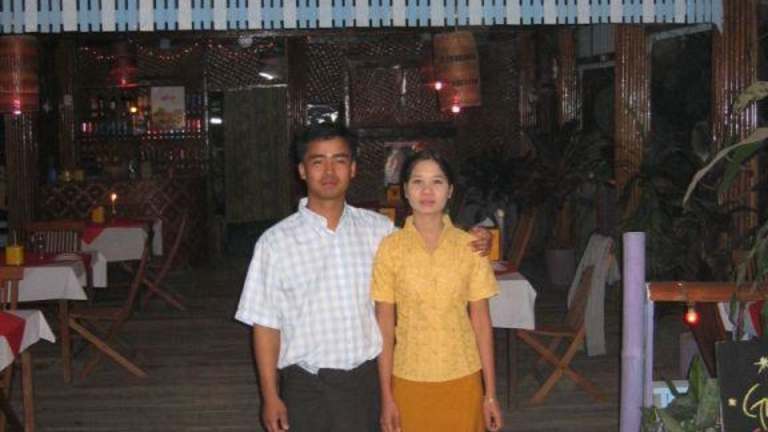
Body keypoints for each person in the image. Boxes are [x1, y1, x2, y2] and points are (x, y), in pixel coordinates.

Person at [234, 124, 490, 432]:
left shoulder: (378, 231)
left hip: (367, 383)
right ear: (302, 170)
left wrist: (474, 237)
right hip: (307, 385)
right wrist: (270, 395)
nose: (329, 171)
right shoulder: (275, 243)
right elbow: (265, 325)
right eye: (318, 161)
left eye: (339, 160)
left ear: (353, 168)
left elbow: (425, 240)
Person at [372, 149, 503, 432]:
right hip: (408, 378)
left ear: (450, 190)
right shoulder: (390, 249)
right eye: (418, 182)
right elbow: (384, 327)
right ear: (405, 190)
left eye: (437, 182)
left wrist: (490, 393)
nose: (427, 191)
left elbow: (482, 323)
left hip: (463, 377)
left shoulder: (470, 247)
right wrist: (386, 396)